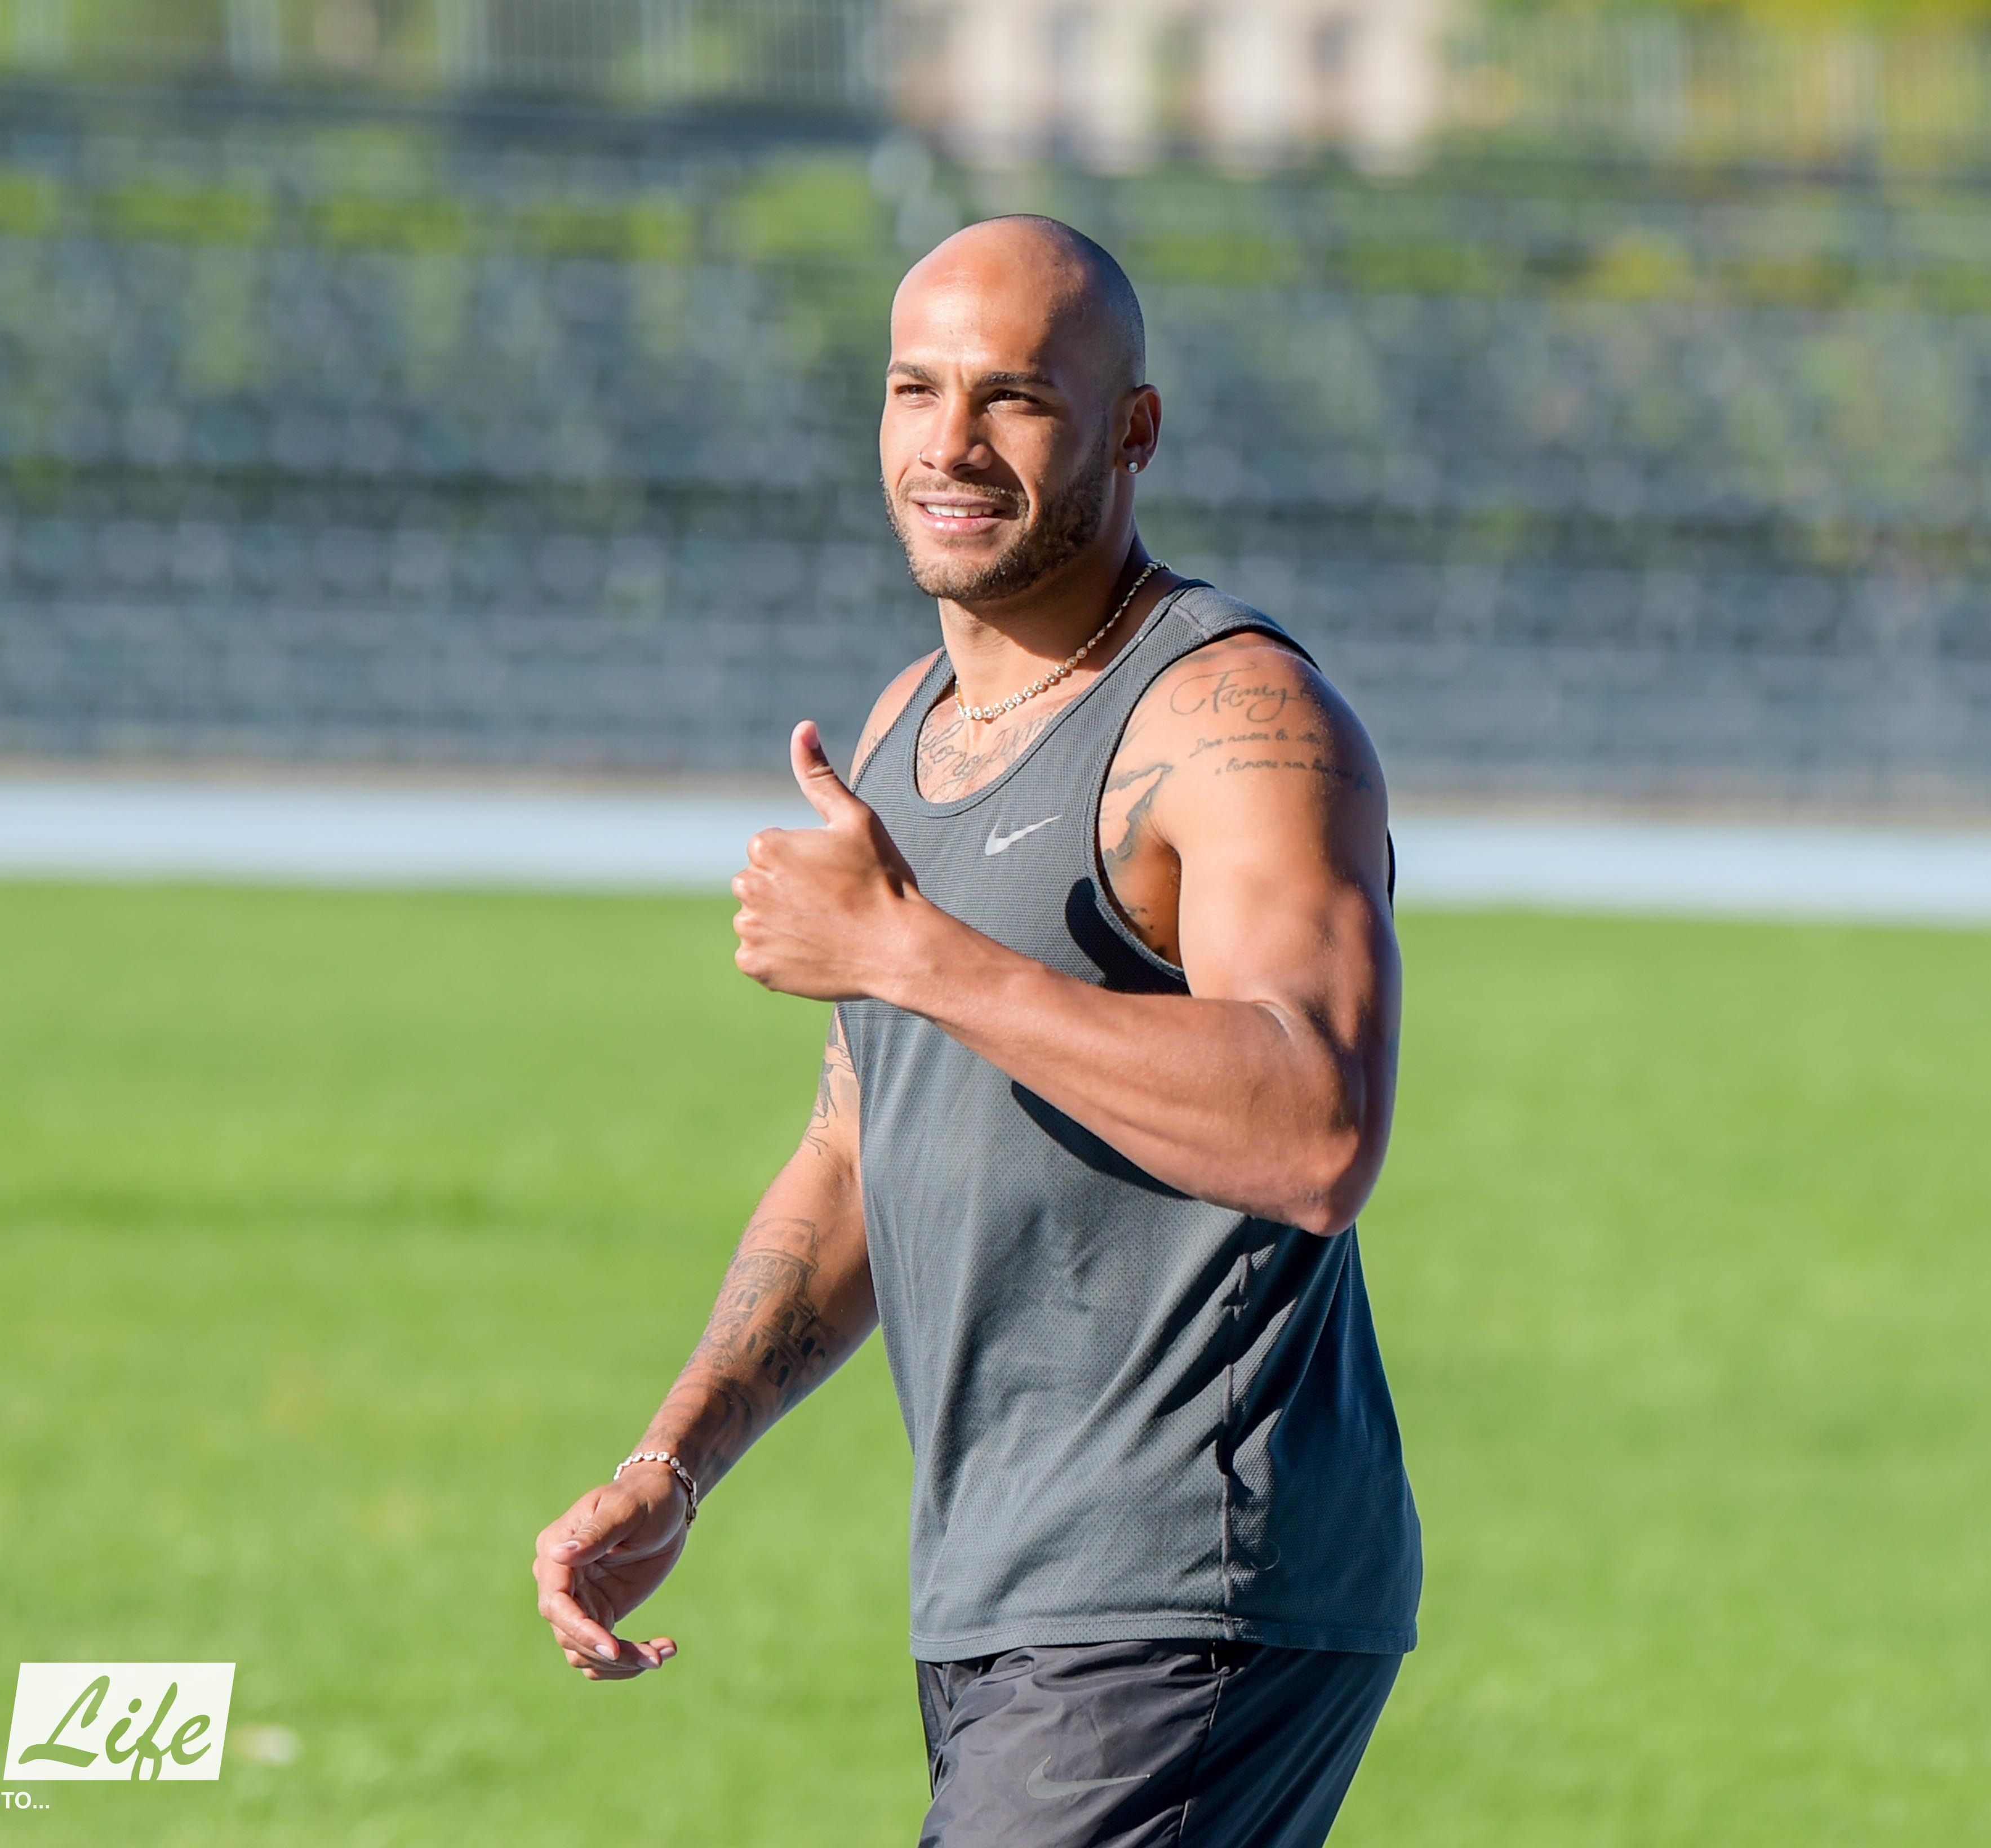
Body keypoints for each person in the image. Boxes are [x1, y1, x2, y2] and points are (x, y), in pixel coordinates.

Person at [532, 214, 1420, 1847]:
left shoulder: (1233, 717)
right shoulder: (904, 726)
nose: (949, 444)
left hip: (1190, 1574)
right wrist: (676, 1462)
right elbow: (856, 1153)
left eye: (1013, 396)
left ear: (1131, 430)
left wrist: (913, 951)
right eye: (912, 389)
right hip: (1001, 1585)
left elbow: (1316, 1131)